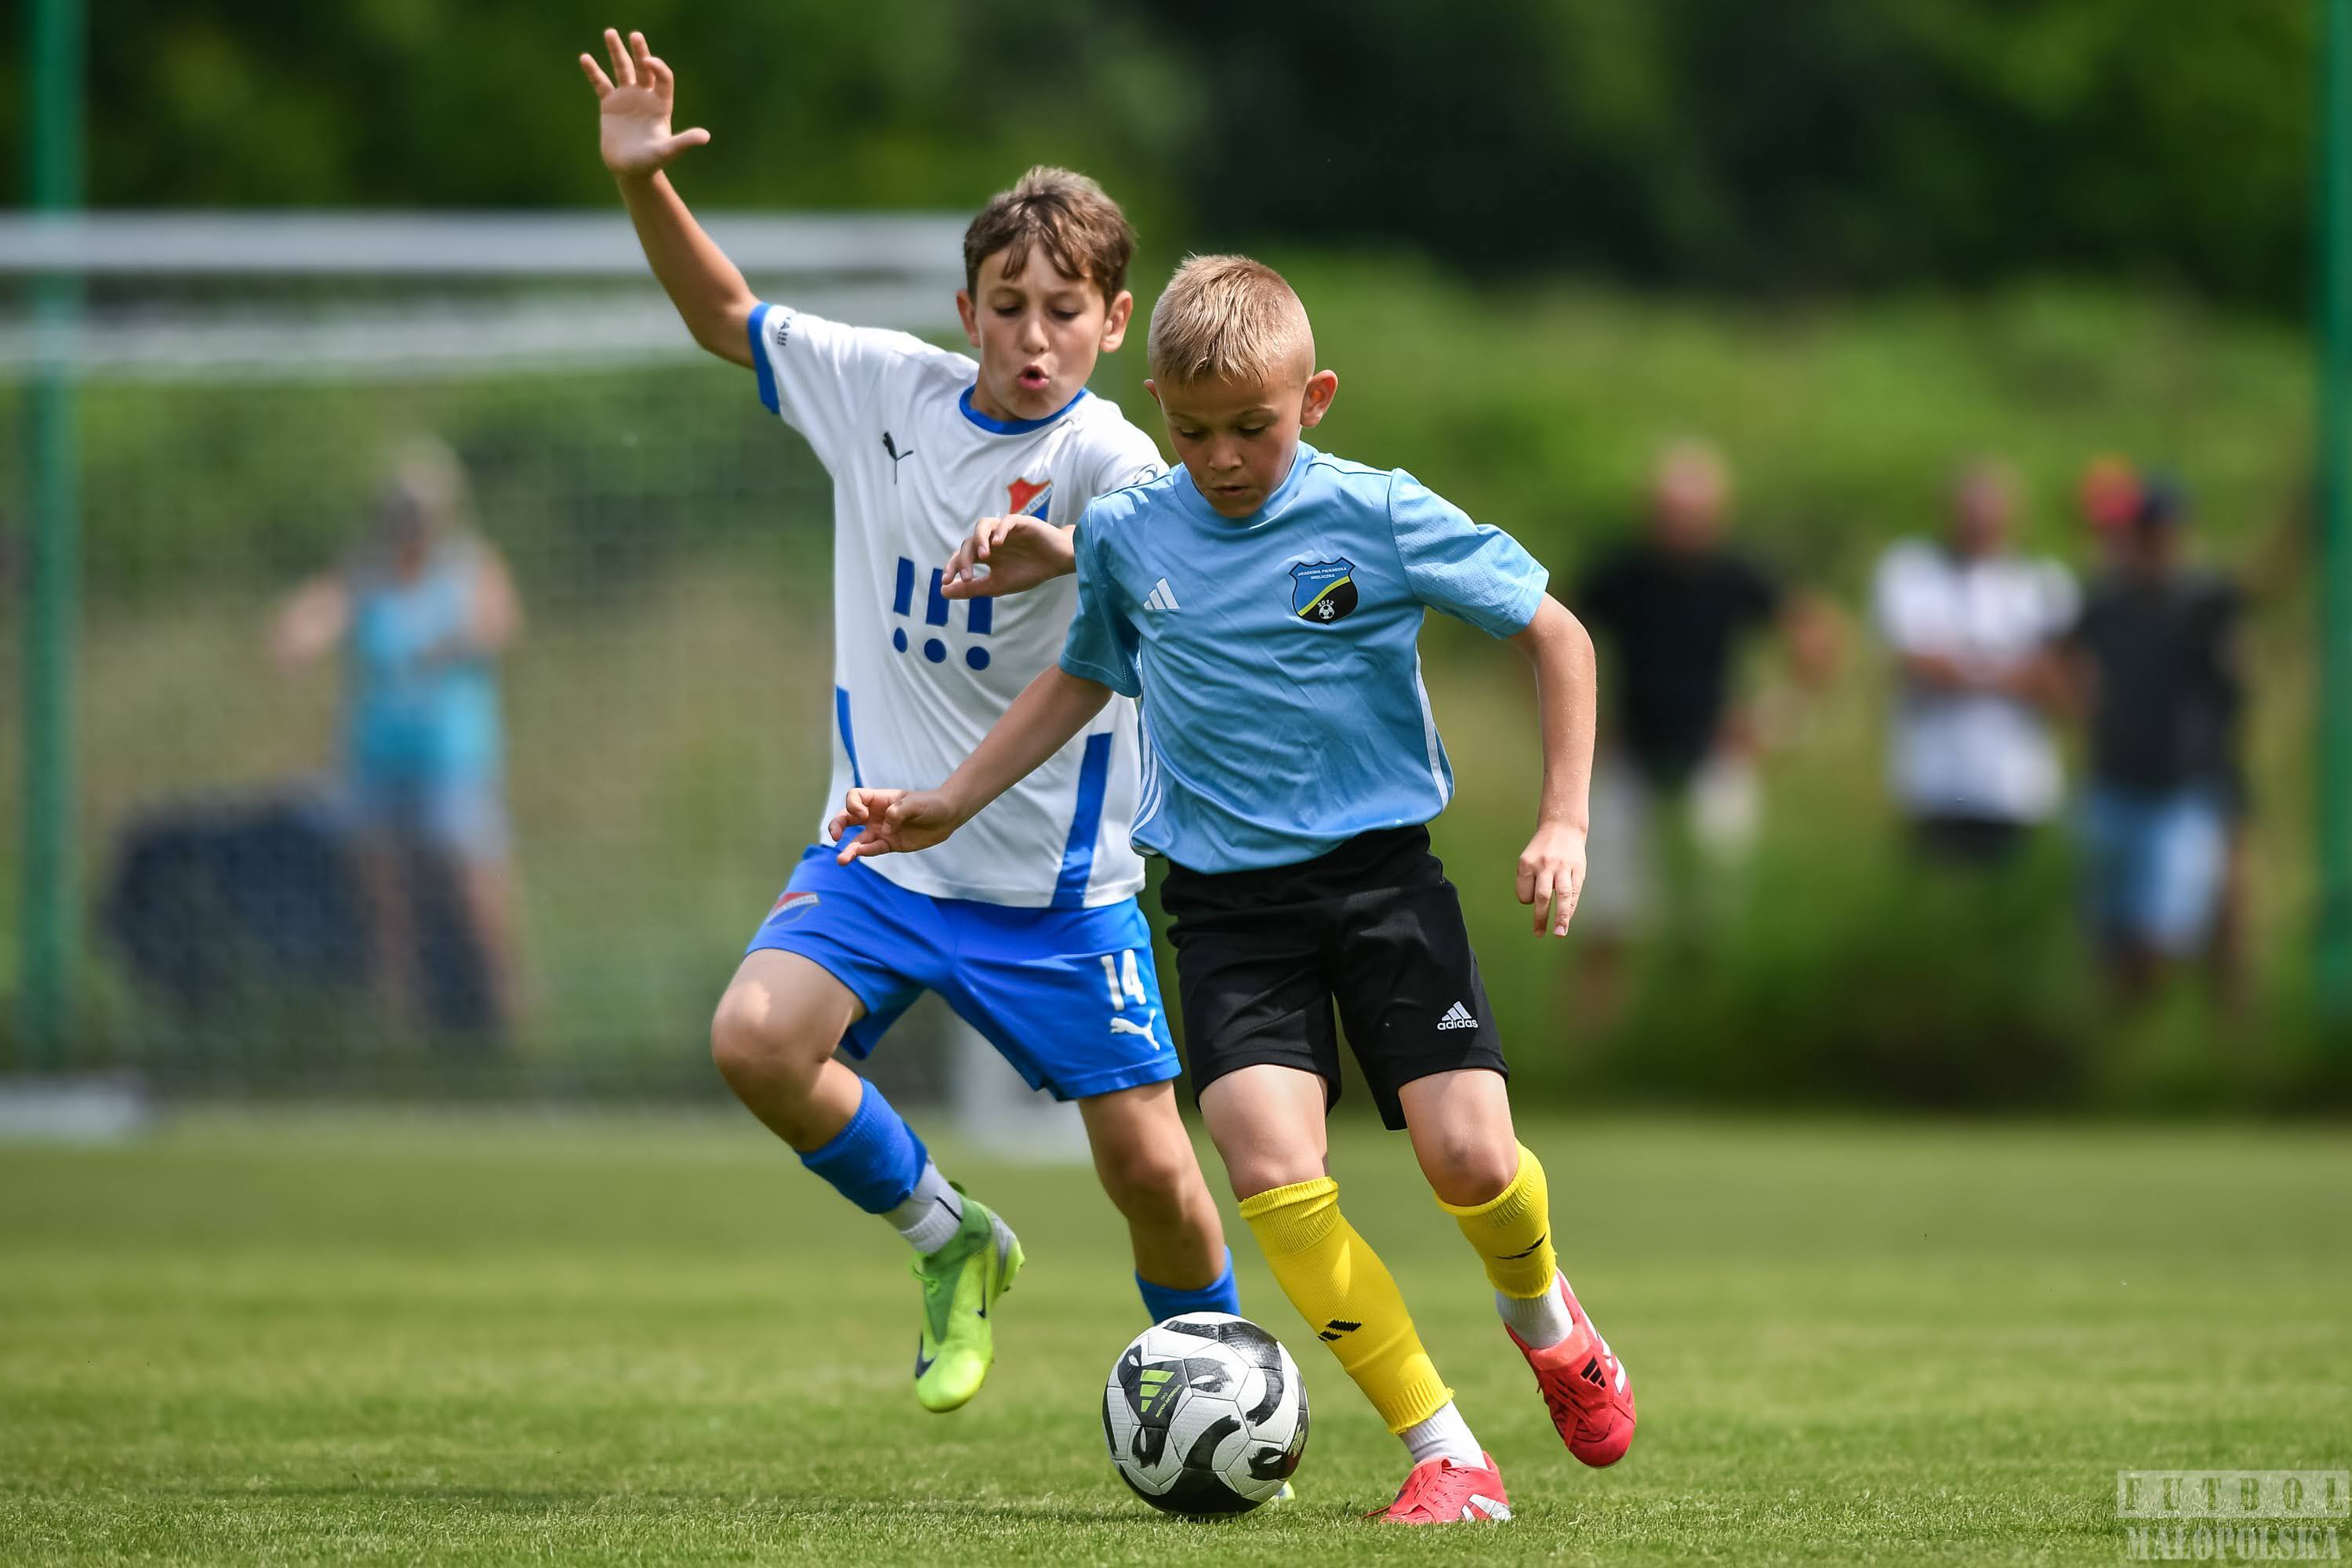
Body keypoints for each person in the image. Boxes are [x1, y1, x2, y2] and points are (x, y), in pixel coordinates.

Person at [840, 256, 1635, 1524]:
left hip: (1383, 885)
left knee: (1471, 1158)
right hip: (1225, 911)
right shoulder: (1125, 532)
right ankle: (1445, 1453)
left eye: (1252, 429)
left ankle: (1545, 1318)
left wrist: (1565, 821)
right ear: (1157, 404)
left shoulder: (1376, 513)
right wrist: (952, 798)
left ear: (1314, 400)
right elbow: (1084, 674)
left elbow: (1559, 633)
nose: (1221, 459)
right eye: (1194, 431)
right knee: (1271, 1172)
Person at [578, 31, 1243, 1417]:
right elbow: (725, 316)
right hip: (882, 848)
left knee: (1152, 1173)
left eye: (1066, 309)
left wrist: (1061, 555)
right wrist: (643, 180)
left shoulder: (1110, 457)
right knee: (756, 1040)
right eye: (1010, 305)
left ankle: (1225, 1391)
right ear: (967, 310)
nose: (1036, 336)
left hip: (1056, 891)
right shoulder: (884, 390)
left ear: (1115, 322)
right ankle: (952, 1239)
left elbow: (1167, 556)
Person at [270, 437, 527, 1034]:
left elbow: (498, 622)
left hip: (454, 765)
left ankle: (511, 1027)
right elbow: (317, 614)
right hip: (379, 763)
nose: (411, 524)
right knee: (388, 913)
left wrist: (451, 643)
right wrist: (298, 632)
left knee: (480, 901)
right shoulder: (368, 574)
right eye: (402, 511)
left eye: (421, 512)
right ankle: (400, 1037)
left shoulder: (469, 567)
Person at [1572, 440, 1833, 1016]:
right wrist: (1579, 727)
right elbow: (1548, 638)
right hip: (1629, 752)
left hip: (1716, 753)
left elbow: (1815, 638)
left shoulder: (1735, 574)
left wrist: (1773, 720)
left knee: (1718, 907)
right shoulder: (1622, 573)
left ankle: (1709, 1026)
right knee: (1607, 910)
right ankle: (1596, 1037)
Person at [2063, 477, 2246, 1001]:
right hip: (2114, 782)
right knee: (2108, 940)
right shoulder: (2105, 601)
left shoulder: (2203, 601)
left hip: (2185, 787)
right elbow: (2063, 657)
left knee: (2167, 939)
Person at [1869, 461, 2076, 865]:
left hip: (2015, 787)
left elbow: (2063, 686)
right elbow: (1919, 664)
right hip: (1936, 784)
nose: (1980, 525)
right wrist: (2012, 675)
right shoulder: (1912, 572)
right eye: (1971, 514)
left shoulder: (2044, 584)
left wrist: (1965, 669)